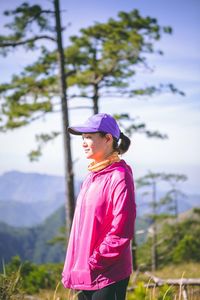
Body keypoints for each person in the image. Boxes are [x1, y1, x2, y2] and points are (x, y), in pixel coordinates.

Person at [62, 113, 136, 300]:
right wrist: (77, 264)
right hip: (84, 273)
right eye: (83, 137)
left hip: (108, 273)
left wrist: (97, 260)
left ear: (108, 139)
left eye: (89, 137)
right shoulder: (91, 177)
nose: (83, 142)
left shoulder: (119, 175)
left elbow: (122, 227)